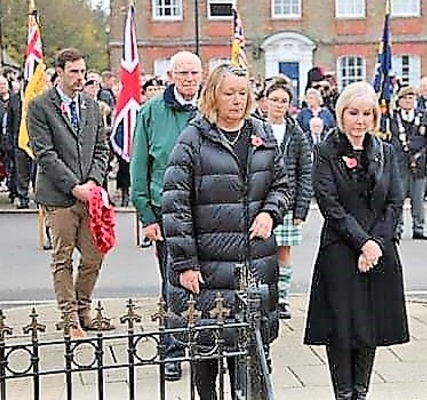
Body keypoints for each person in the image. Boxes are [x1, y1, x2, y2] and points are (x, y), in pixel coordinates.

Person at [162, 63, 290, 398]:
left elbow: (281, 185)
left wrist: (269, 213)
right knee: (206, 356)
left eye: (242, 93)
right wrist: (185, 264)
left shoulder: (261, 134)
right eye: (229, 93)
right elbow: (175, 205)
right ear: (213, 96)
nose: (236, 100)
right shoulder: (193, 138)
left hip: (253, 264)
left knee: (249, 360)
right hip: (206, 267)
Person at [304, 81, 409, 400]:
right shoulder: (325, 152)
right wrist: (362, 243)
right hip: (341, 250)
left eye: (366, 113)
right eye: (353, 113)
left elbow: (394, 202)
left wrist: (375, 244)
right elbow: (329, 204)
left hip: (379, 251)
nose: (359, 120)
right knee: (341, 328)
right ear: (341, 114)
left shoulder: (385, 152)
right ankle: (344, 394)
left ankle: (360, 394)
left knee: (369, 327)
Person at [26, 48, 111, 338]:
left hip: (90, 195)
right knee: (62, 257)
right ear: (59, 72)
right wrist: (74, 186)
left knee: (94, 254)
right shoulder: (40, 107)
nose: (79, 77)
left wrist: (93, 183)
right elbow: (45, 154)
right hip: (58, 196)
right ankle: (70, 318)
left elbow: (102, 149)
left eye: (82, 72)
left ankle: (83, 308)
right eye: (73, 72)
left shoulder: (92, 106)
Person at [130, 50, 202, 380]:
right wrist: (147, 215)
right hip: (166, 209)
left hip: (207, 209)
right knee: (172, 282)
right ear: (170, 76)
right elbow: (139, 167)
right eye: (182, 73)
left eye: (194, 73)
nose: (189, 79)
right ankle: (171, 349)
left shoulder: (209, 108)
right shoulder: (150, 112)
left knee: (207, 282)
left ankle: (203, 345)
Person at [264, 76, 312, 319]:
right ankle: (263, 298)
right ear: (265, 102)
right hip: (260, 203)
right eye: (274, 100)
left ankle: (281, 299)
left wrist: (301, 210)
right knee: (261, 253)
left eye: (283, 101)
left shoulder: (297, 134)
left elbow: (306, 171)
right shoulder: (256, 128)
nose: (278, 105)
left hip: (288, 204)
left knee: (283, 253)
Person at [387, 86, 427, 240]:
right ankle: (396, 228)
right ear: (399, 100)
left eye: (411, 98)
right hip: (398, 163)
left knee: (418, 198)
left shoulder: (424, 116)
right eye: (405, 98)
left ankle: (419, 228)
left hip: (418, 162)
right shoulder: (391, 117)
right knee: (397, 198)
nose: (408, 101)